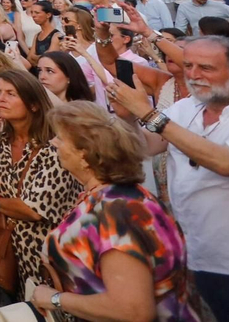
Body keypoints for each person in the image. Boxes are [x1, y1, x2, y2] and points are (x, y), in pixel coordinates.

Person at [108, 35, 229, 322]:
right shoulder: (186, 108)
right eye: (188, 66)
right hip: (198, 262)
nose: (194, 75)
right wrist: (129, 118)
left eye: (206, 68)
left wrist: (148, 113)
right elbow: (145, 146)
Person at [28, 100, 199, 322]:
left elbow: (134, 311)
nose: (53, 143)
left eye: (60, 138)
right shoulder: (112, 197)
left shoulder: (117, 213)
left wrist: (55, 299)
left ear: (84, 154)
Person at [0, 69, 81, 313]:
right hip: (7, 255)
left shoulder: (55, 146)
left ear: (34, 105)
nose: (0, 99)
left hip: (48, 257)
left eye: (11, 94)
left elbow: (32, 210)